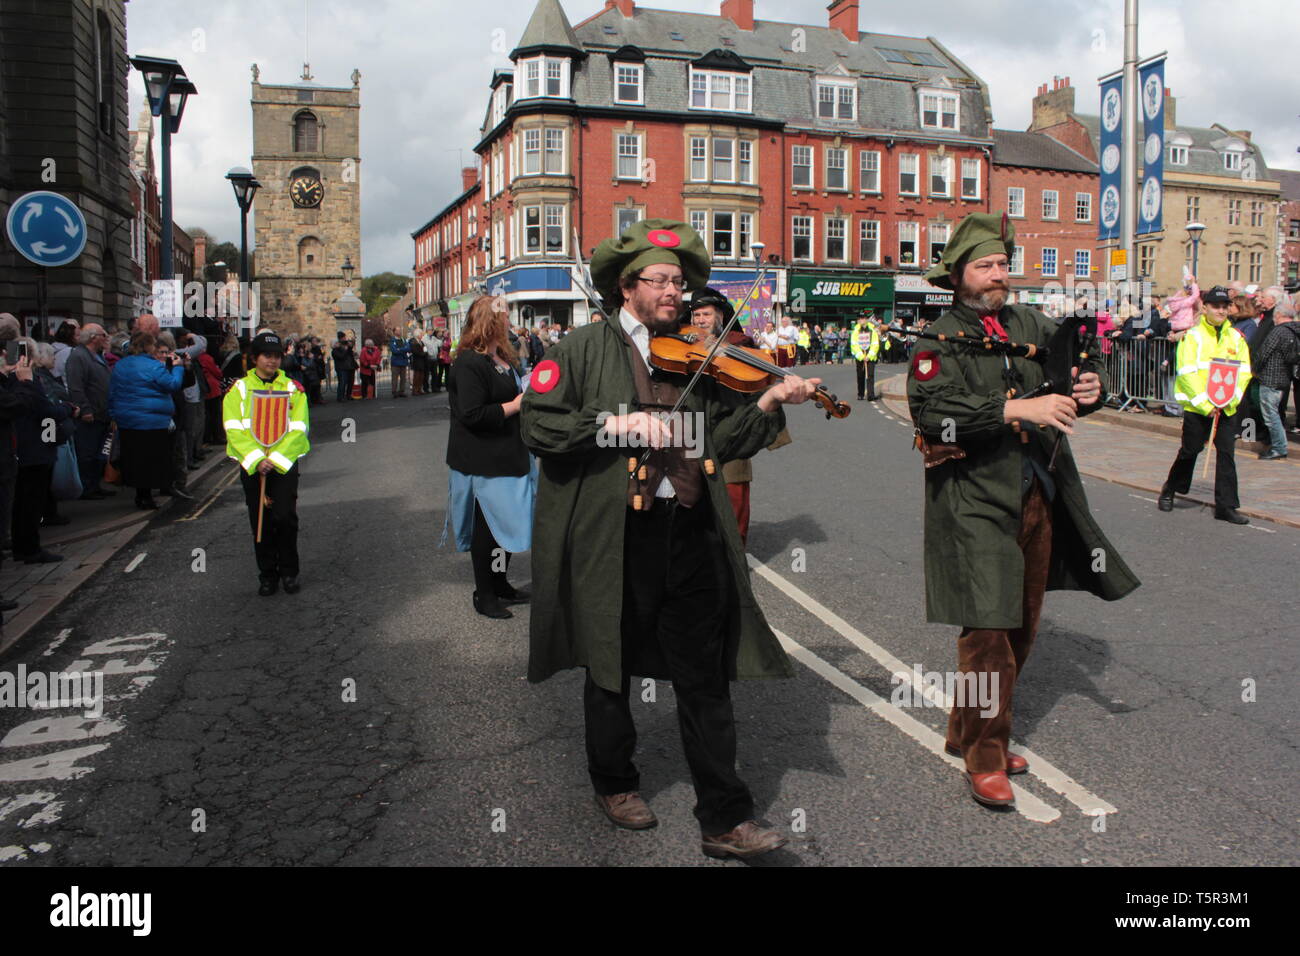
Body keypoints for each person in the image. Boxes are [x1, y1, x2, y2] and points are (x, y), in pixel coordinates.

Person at [520, 218, 819, 859]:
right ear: (627, 287)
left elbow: (725, 441)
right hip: (616, 533)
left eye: (680, 283)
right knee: (611, 663)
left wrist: (769, 403)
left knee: (705, 675)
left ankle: (725, 816)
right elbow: (540, 430)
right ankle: (614, 779)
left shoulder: (698, 356)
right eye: (661, 281)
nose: (674, 294)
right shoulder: (578, 351)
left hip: (690, 529)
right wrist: (616, 424)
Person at [908, 212, 1139, 809]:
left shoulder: (1032, 323)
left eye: (1003, 265)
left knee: (1020, 624)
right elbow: (935, 416)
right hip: (972, 497)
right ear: (957, 276)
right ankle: (986, 755)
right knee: (987, 628)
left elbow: (1071, 378)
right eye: (985, 266)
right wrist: (1013, 412)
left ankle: (967, 731)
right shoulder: (937, 342)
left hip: (1039, 491)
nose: (998, 275)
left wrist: (1092, 391)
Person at [445, 297, 534, 619]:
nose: (510, 320)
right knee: (488, 529)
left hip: (508, 452)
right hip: (482, 458)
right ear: (490, 321)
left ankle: (500, 584)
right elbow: (471, 414)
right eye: (505, 315)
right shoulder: (469, 362)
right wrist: (517, 404)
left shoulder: (501, 357)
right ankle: (484, 593)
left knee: (506, 524)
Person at [688, 287, 788, 549]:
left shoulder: (739, 345)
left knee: (735, 505)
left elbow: (757, 386)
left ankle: (735, 563)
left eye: (706, 314)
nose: (700, 320)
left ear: (720, 315)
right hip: (696, 432)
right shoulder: (684, 343)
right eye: (696, 314)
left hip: (735, 428)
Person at [223, 330, 311, 596]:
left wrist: (274, 459)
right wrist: (257, 460)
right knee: (260, 521)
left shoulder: (292, 389)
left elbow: (299, 428)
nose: (272, 361)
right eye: (266, 356)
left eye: (276, 356)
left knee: (285, 518)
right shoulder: (238, 390)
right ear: (254, 358)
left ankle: (289, 572)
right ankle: (267, 574)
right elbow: (234, 429)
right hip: (253, 465)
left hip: (282, 464)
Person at [1157, 286, 1252, 523]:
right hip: (1198, 407)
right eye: (1216, 306)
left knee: (1227, 455)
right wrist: (1205, 403)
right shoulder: (1193, 336)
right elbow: (1187, 372)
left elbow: (1244, 371)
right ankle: (1170, 488)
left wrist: (1231, 398)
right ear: (1205, 307)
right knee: (1190, 450)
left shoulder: (1236, 338)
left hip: (1226, 406)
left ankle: (1226, 506)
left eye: (1224, 306)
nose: (1221, 310)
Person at [107, 332, 185, 511]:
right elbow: (172, 385)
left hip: (127, 420)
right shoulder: (154, 366)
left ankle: (140, 495)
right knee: (151, 461)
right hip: (152, 420)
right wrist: (179, 367)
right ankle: (146, 497)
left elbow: (112, 392)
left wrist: (114, 414)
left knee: (135, 459)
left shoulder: (120, 365)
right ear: (150, 346)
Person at [64, 323, 115, 500]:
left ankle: (94, 485)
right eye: (103, 335)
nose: (106, 338)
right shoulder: (78, 356)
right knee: (87, 452)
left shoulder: (96, 355)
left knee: (97, 453)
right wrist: (85, 409)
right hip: (90, 414)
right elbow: (76, 386)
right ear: (93, 337)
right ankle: (86, 488)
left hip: (102, 413)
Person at [1246, 298, 1297, 460]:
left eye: (1275, 316)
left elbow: (1264, 353)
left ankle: (1279, 447)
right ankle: (1279, 445)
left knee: (1270, 415)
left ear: (1280, 315)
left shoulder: (1278, 331)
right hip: (1284, 378)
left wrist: (1254, 369)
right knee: (1275, 413)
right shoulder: (1294, 330)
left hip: (1270, 377)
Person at [849, 311, 881, 401]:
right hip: (860, 357)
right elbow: (854, 345)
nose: (860, 320)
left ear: (866, 319)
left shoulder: (872, 330)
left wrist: (869, 356)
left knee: (870, 375)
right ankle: (861, 394)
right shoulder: (855, 331)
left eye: (862, 318)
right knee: (860, 375)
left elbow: (875, 344)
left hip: (870, 357)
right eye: (859, 318)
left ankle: (871, 395)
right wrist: (861, 356)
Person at [331, 332, 357, 401]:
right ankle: (340, 397)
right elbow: (341, 357)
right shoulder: (335, 351)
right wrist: (346, 349)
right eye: (337, 343)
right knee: (342, 382)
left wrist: (350, 346)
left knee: (350, 382)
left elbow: (350, 352)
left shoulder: (344, 346)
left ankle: (348, 395)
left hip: (350, 366)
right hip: (342, 368)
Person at [389, 331, 411, 397]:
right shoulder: (392, 340)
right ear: (394, 332)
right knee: (395, 378)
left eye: (400, 330)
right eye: (397, 330)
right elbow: (394, 350)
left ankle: (402, 391)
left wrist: (399, 349)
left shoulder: (403, 340)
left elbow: (409, 348)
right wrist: (404, 349)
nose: (399, 332)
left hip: (403, 361)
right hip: (395, 362)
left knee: (403, 378)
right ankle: (394, 391)